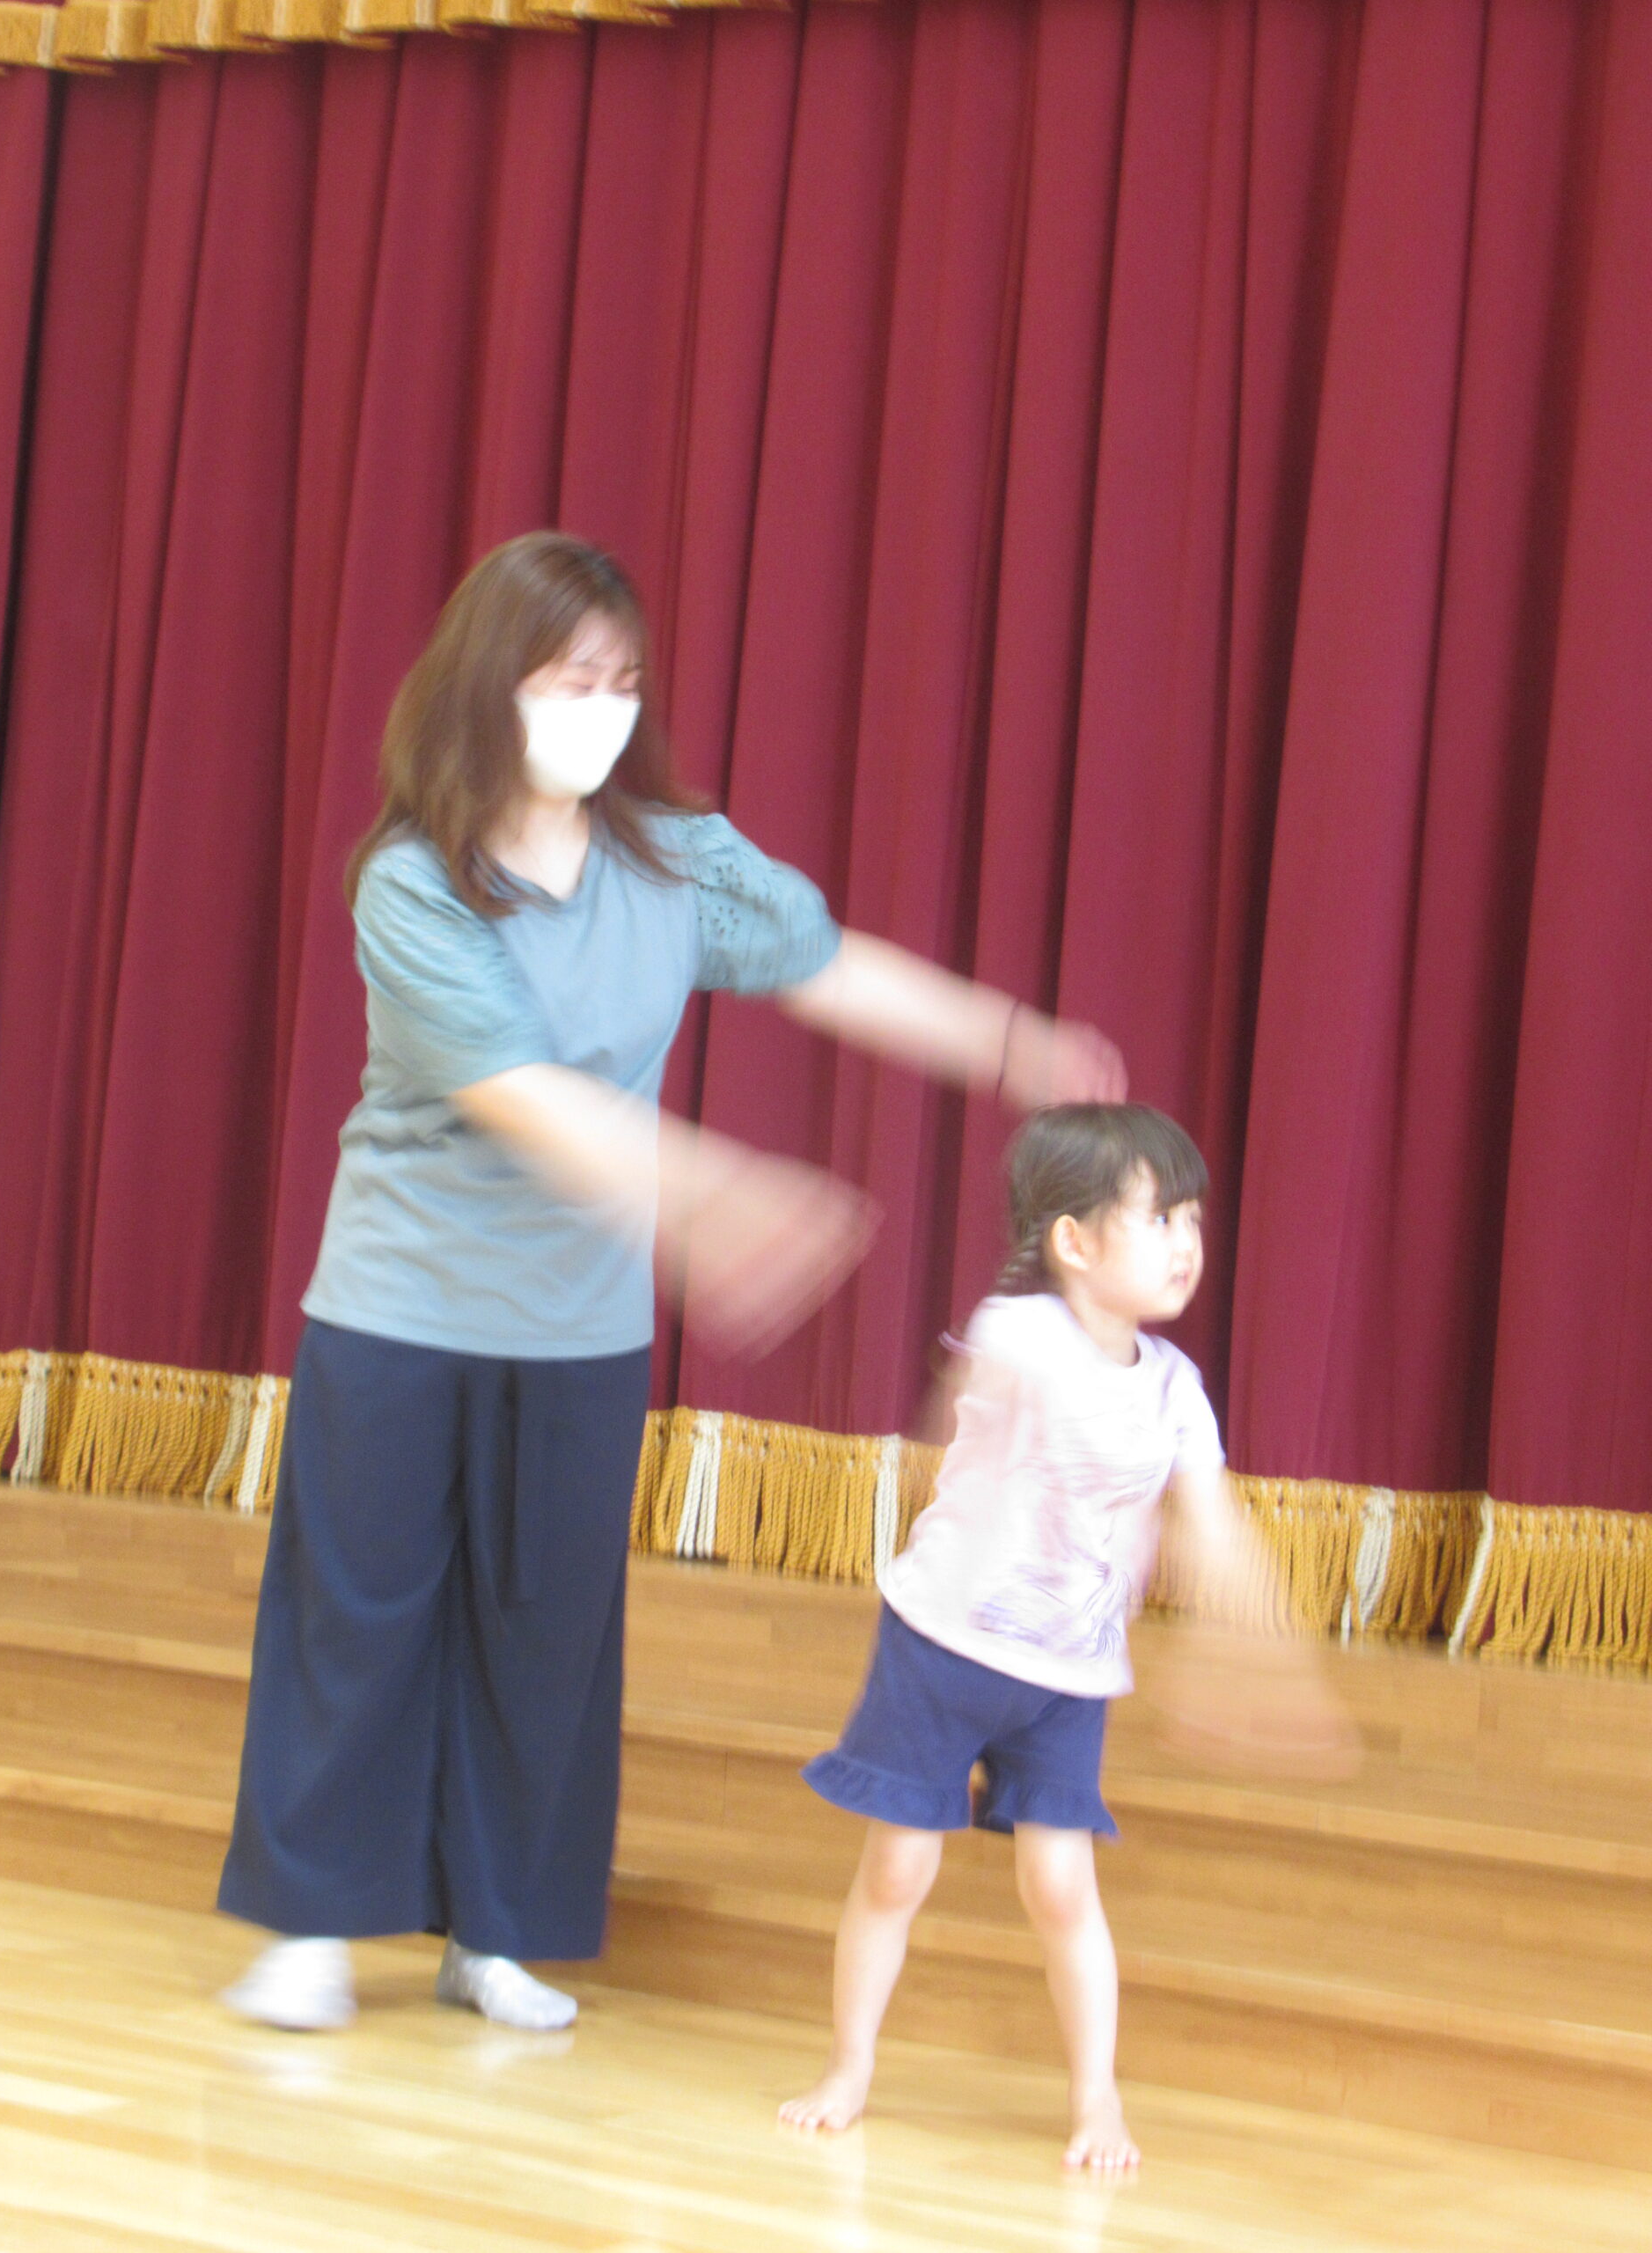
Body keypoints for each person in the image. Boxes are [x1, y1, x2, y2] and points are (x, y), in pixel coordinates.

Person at [217, 531, 1127, 2036]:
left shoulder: (673, 860)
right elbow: (516, 1087)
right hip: (399, 1309)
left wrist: (1010, 1041)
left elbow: (825, 963)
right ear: (489, 685)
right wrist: (712, 1190)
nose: (602, 709)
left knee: (546, 1636)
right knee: (357, 1618)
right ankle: (310, 1922)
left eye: (622, 682)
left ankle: (498, 1932)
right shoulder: (414, 881)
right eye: (570, 679)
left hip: (580, 1330)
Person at [779, 1103, 1351, 2169]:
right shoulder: (1020, 1333)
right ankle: (849, 2067)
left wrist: (1261, 1642)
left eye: (1194, 1218)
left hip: (1068, 1676)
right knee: (897, 1869)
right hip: (942, 1648)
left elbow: (1214, 1521)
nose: (1187, 1241)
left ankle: (1097, 2100)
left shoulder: (1177, 1390)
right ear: (1075, 1242)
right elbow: (1002, 1399)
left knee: (1060, 1887)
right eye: (1159, 1217)